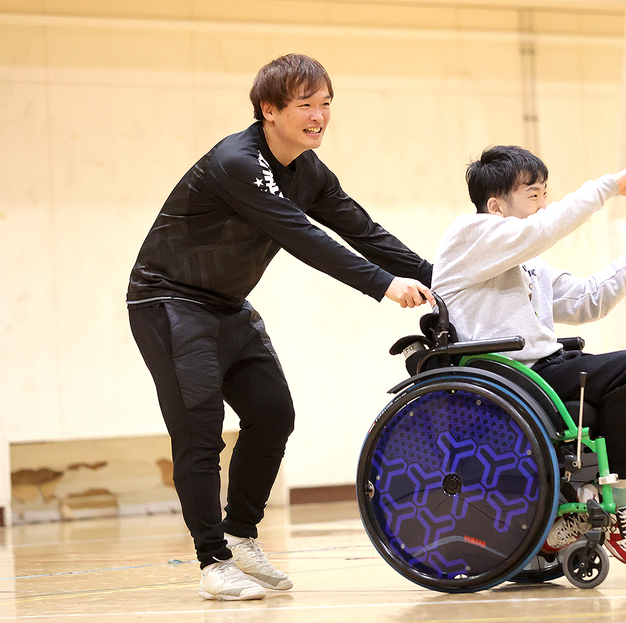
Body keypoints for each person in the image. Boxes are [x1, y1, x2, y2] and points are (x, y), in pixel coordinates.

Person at [126, 53, 433, 601]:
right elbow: (302, 237)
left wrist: (443, 280)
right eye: (305, 106)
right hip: (168, 301)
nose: (319, 117)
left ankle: (240, 535)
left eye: (326, 105)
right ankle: (213, 561)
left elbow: (363, 230)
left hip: (227, 306)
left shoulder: (309, 171)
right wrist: (384, 285)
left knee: (272, 415)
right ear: (269, 110)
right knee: (200, 429)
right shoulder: (236, 162)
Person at [431, 145, 626, 564]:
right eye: (534, 195)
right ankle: (612, 507)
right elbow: (542, 230)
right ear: (495, 207)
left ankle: (606, 507)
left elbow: (590, 300)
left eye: (545, 194)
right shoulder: (468, 234)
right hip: (508, 378)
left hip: (546, 369)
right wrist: (611, 186)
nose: (544, 205)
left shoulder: (530, 266)